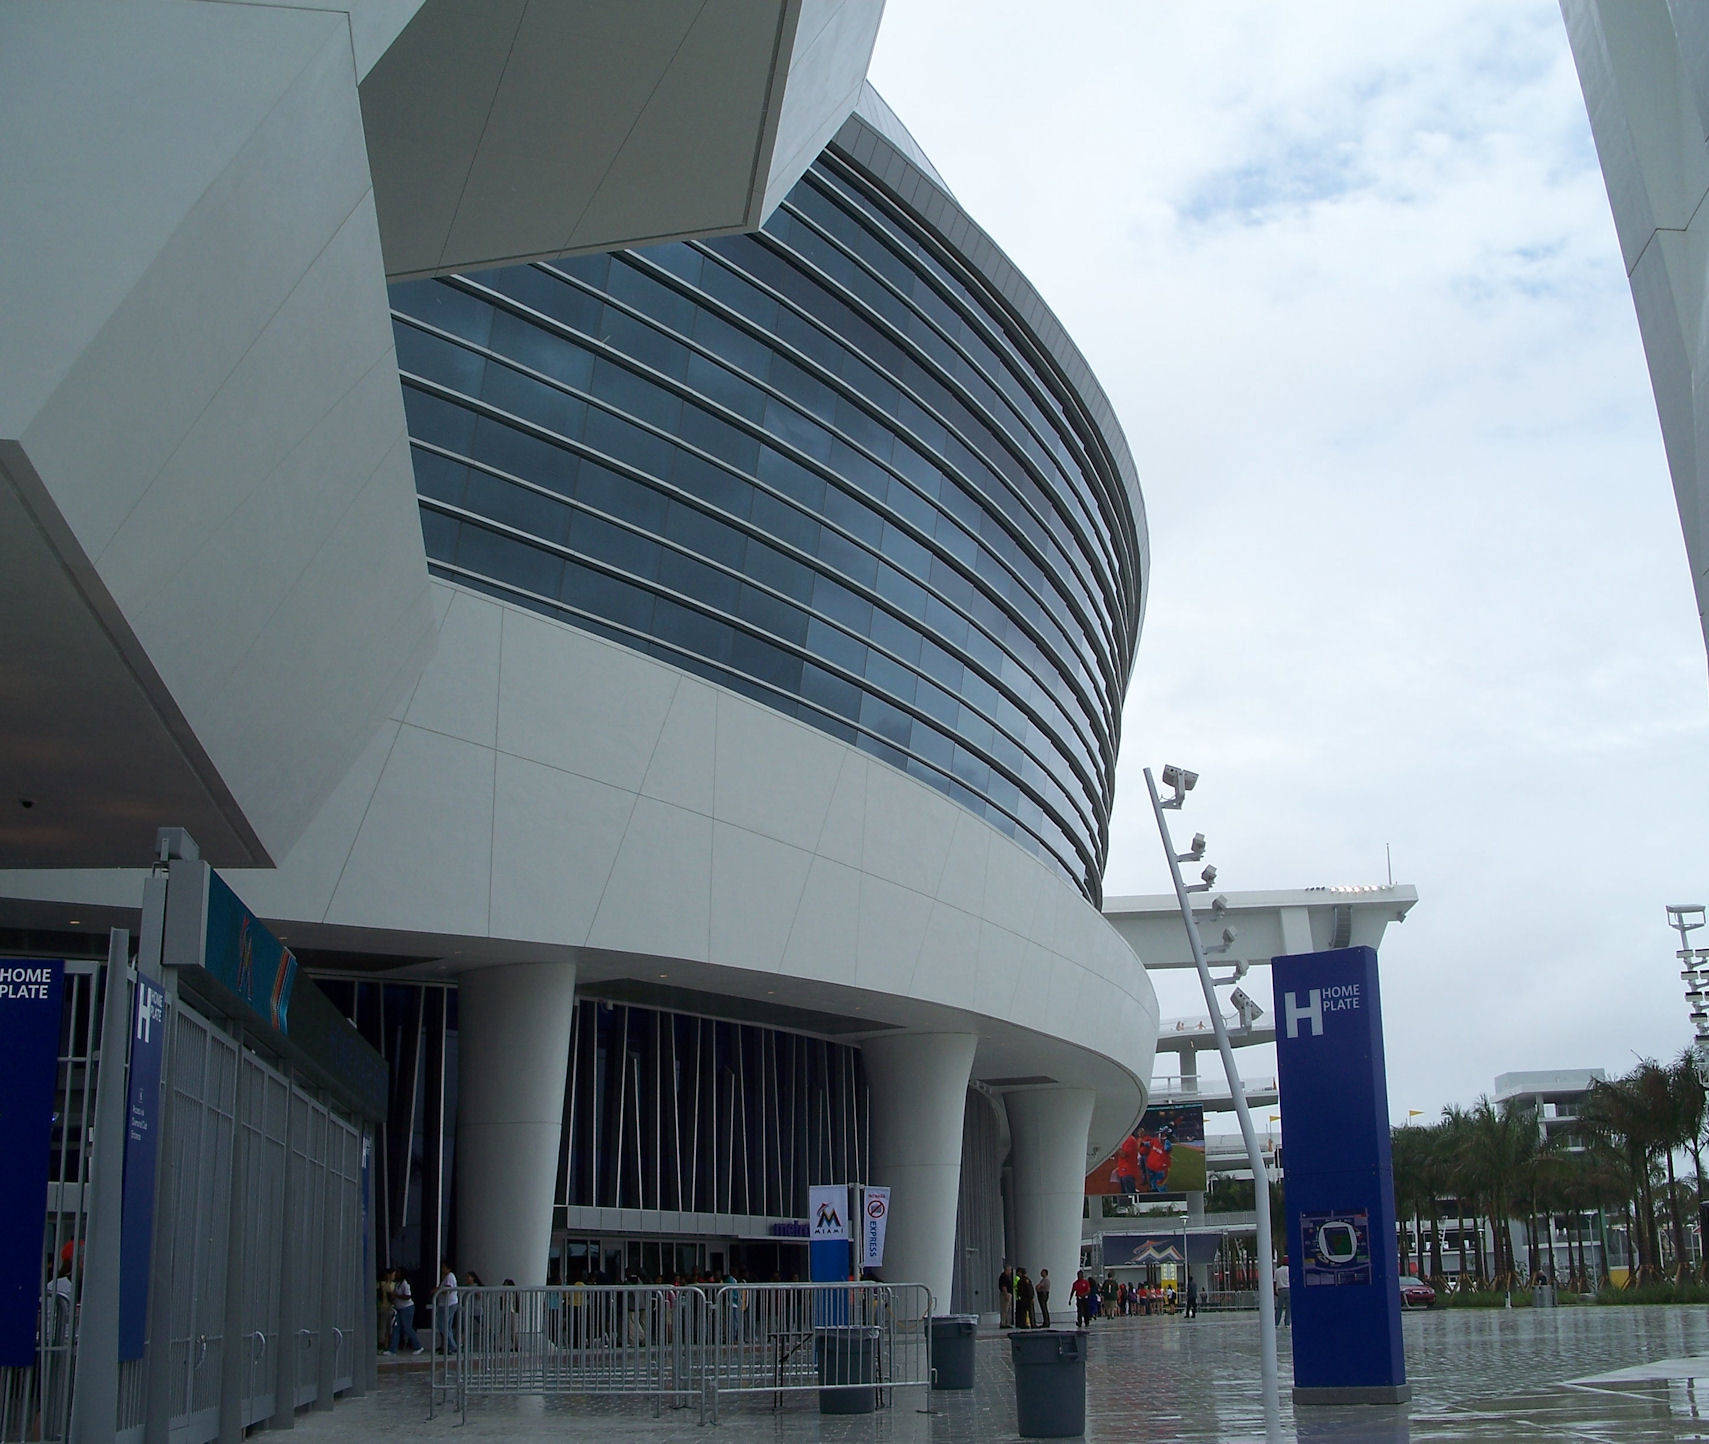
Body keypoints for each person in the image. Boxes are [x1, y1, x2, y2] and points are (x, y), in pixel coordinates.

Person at [388, 1271, 423, 1354]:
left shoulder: (405, 1283)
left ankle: (418, 1346)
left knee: (407, 1327)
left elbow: (407, 1296)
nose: (396, 1274)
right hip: (398, 1308)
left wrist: (396, 1296)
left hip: (407, 1308)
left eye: (398, 1272)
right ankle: (392, 1349)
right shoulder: (397, 1284)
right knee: (396, 1328)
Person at [438, 1261, 460, 1353]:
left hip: (449, 1304)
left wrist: (438, 1290)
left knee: (443, 1325)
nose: (442, 1269)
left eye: (444, 1267)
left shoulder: (450, 1276)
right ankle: (447, 1346)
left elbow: (448, 1290)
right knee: (447, 1326)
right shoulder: (447, 1277)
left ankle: (452, 1345)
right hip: (446, 1304)